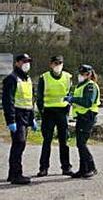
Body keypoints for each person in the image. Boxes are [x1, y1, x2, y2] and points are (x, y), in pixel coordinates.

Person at [2, 54, 37, 185]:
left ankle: (13, 174)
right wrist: (10, 120)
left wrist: (32, 119)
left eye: (28, 61)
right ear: (17, 63)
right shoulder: (11, 79)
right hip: (17, 116)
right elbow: (8, 101)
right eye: (24, 61)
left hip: (26, 116)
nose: (27, 63)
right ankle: (17, 174)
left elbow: (30, 101)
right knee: (19, 144)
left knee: (20, 145)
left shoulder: (27, 79)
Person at [36, 54, 73, 177]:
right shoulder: (44, 77)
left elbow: (69, 94)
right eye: (56, 63)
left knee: (64, 141)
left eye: (60, 63)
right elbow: (39, 97)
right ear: (51, 64)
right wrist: (42, 112)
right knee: (47, 141)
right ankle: (43, 168)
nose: (58, 66)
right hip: (48, 112)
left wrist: (67, 110)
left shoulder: (68, 77)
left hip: (62, 112)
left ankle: (66, 167)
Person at [64, 64, 101, 178]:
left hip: (87, 116)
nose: (80, 76)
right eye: (80, 73)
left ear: (89, 74)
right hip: (81, 116)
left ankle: (91, 167)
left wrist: (73, 99)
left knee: (81, 144)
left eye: (83, 74)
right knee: (79, 144)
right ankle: (83, 169)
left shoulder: (90, 86)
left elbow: (88, 102)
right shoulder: (81, 85)